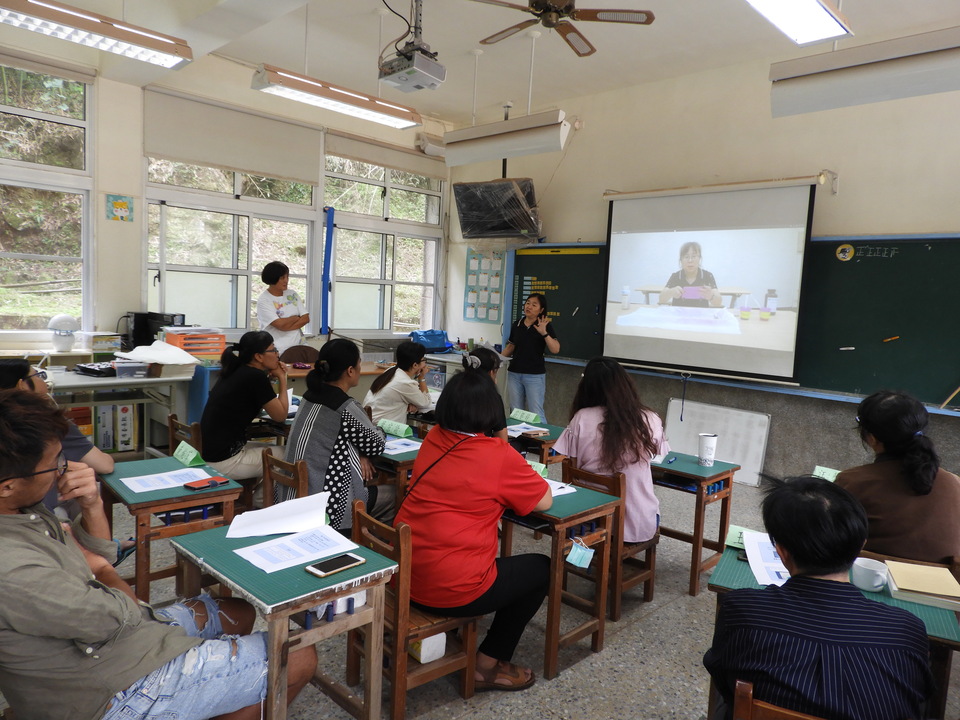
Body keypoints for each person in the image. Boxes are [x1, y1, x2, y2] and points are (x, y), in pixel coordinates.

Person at [0, 389, 316, 720]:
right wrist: (104, 571)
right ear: (7, 484)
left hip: (115, 645)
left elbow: (94, 553)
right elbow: (119, 616)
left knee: (237, 612)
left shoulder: (24, 510)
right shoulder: (13, 569)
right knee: (299, 656)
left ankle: (207, 698)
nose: (64, 470)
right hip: (106, 689)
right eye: (55, 464)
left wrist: (91, 503)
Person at [703, 475, 934, 720]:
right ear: (860, 546)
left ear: (781, 552)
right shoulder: (908, 631)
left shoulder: (741, 610)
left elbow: (723, 679)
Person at [394, 371, 552, 692]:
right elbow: (545, 501)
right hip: (454, 589)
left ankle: (459, 640)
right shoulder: (497, 454)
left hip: (407, 575)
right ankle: (487, 665)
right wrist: (502, 440)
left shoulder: (434, 438)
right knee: (541, 570)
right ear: (493, 411)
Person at [836, 390, 960, 564]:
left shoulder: (852, 482)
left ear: (872, 438)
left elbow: (829, 540)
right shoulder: (954, 483)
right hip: (946, 586)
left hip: (875, 582)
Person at [554, 357, 669, 544]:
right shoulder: (650, 419)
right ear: (625, 383)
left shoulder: (581, 418)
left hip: (588, 520)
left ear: (586, 386)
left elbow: (572, 467)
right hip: (637, 522)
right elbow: (657, 455)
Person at [282, 338, 386, 530]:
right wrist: (378, 431)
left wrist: (359, 452)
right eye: (359, 363)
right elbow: (376, 444)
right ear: (350, 370)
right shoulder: (345, 406)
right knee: (394, 496)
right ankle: (369, 549)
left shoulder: (309, 396)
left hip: (293, 496)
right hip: (328, 506)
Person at [200, 330, 287, 482]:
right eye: (273, 350)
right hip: (226, 461)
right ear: (258, 357)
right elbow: (280, 416)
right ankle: (261, 502)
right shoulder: (255, 377)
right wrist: (282, 378)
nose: (277, 354)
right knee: (288, 455)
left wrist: (270, 379)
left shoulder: (236, 370)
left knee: (271, 450)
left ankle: (257, 499)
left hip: (214, 453)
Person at [502, 293, 560, 422]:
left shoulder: (544, 325)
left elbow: (555, 349)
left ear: (541, 310)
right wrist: (497, 359)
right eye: (528, 303)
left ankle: (542, 440)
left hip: (534, 375)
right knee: (516, 412)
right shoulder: (517, 324)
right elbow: (511, 347)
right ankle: (518, 440)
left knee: (536, 412)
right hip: (514, 373)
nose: (529, 306)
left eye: (534, 305)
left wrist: (544, 333)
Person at [362, 340, 432, 425]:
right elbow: (426, 403)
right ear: (415, 365)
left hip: (370, 423)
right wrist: (421, 377)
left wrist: (407, 405)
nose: (424, 363)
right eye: (423, 360)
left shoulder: (391, 371)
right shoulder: (405, 383)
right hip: (383, 429)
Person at [256, 260, 309, 355]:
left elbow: (305, 319)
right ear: (272, 279)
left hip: (298, 346)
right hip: (276, 350)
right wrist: (295, 318)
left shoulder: (292, 294)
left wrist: (285, 325)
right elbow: (279, 325)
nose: (286, 280)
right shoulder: (264, 300)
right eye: (282, 278)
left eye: (287, 277)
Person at [462, 346, 509, 442]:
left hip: (448, 447)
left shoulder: (453, 390)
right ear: (491, 373)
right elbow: (502, 440)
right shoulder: (492, 398)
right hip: (479, 448)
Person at [658, 241, 722, 307]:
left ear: (699, 258)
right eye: (686, 257)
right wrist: (670, 292)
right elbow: (661, 300)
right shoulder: (676, 276)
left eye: (694, 256)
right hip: (679, 315)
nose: (690, 260)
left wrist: (711, 296)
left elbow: (718, 303)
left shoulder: (707, 275)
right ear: (681, 260)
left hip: (700, 315)